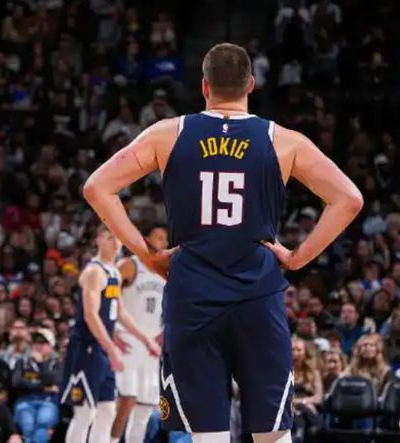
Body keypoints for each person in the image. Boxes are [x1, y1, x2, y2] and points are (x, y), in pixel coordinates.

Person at [82, 42, 363, 443]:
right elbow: (349, 199)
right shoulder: (283, 140)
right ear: (251, 84)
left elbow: (97, 188)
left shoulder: (168, 133)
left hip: (193, 297)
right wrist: (298, 257)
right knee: (273, 436)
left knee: (208, 437)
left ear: (204, 86)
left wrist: (148, 255)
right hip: (258, 297)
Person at [60, 225, 160, 443]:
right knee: (85, 413)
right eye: (109, 237)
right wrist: (112, 348)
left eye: (117, 238)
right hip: (86, 347)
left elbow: (120, 312)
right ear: (98, 240)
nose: (115, 242)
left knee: (107, 411)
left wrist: (146, 340)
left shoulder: (113, 271)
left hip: (101, 350)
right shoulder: (94, 272)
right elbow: (91, 315)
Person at [111, 225, 168, 443]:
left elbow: (177, 307)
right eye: (156, 237)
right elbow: (108, 300)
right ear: (146, 239)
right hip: (128, 342)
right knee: (124, 402)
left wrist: (165, 332)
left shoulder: (167, 271)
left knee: (145, 407)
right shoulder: (128, 265)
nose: (160, 241)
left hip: (152, 346)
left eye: (164, 238)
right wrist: (111, 330)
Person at [11, 327, 62, 443]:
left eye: (43, 343)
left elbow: (54, 381)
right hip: (25, 401)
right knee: (27, 424)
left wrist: (41, 364)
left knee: (43, 422)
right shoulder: (22, 362)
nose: (38, 346)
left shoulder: (57, 363)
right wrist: (43, 387)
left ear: (51, 346)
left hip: (48, 401)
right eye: (36, 343)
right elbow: (17, 382)